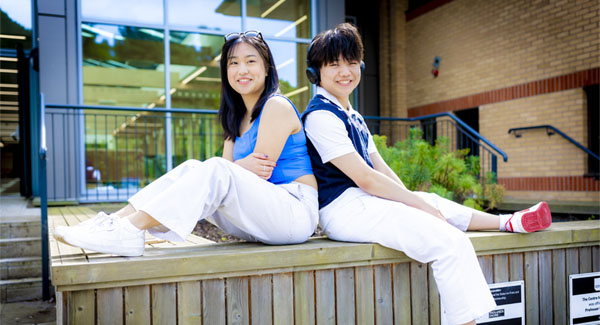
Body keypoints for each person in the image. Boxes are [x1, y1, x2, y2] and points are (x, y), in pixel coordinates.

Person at [301, 23, 552, 325]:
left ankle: (507, 221)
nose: (345, 71)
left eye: (351, 62)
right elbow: (365, 178)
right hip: (343, 208)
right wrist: (418, 206)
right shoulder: (319, 116)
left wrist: (413, 199)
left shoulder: (351, 114)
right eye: (334, 64)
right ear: (315, 73)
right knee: (450, 242)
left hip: (363, 202)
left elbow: (379, 165)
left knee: (430, 200)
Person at [54, 30, 319, 257]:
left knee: (213, 168)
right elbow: (233, 175)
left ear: (267, 68)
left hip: (293, 212)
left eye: (251, 61)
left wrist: (237, 168)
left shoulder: (276, 106)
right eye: (233, 63)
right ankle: (113, 224)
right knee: (193, 167)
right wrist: (239, 167)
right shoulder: (235, 117)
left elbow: (258, 173)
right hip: (260, 217)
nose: (242, 70)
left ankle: (130, 230)